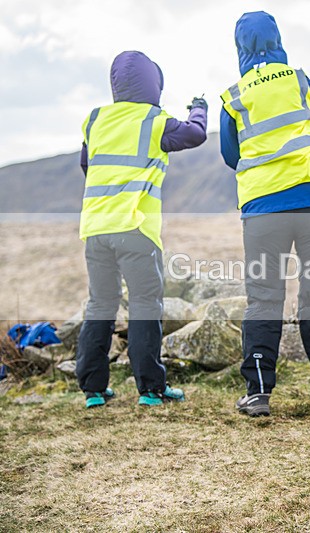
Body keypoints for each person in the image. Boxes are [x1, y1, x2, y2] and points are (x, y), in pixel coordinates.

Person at [220, 11, 310, 417]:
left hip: (263, 209)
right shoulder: (301, 81)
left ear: (239, 46)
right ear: (277, 39)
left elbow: (229, 154)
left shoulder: (234, 96)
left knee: (263, 300)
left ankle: (258, 393)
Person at [76, 50, 207, 408]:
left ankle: (93, 391)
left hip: (95, 228)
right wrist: (199, 108)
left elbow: (87, 165)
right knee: (146, 306)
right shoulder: (154, 120)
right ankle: (151, 389)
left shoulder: (95, 119)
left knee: (100, 305)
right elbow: (195, 135)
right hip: (135, 227)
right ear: (154, 83)